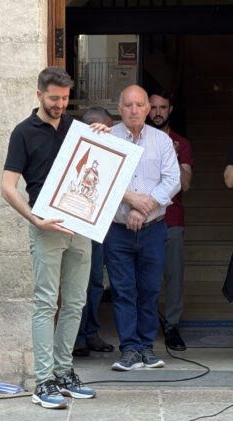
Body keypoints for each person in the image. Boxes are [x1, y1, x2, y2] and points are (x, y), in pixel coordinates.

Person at [1, 66, 96, 409]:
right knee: (45, 303)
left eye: (65, 98)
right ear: (39, 94)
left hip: (81, 226)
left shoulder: (76, 128)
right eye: (54, 98)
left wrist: (102, 137)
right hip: (46, 226)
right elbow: (7, 187)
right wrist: (35, 219)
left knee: (75, 302)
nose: (60, 104)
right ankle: (43, 381)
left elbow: (99, 168)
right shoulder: (23, 132)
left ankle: (64, 373)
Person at [94, 85, 180, 371]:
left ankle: (146, 348)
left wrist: (144, 208)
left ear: (147, 109)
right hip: (117, 230)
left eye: (139, 105)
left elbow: (172, 181)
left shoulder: (161, 141)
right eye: (128, 105)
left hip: (154, 228)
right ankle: (129, 349)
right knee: (122, 291)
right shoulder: (107, 138)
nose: (134, 110)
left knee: (150, 289)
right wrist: (133, 201)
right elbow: (99, 179)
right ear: (119, 109)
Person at [148, 90, 193, 351]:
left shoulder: (181, 143)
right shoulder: (140, 139)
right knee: (144, 276)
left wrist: (174, 156)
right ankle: (145, 325)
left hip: (171, 219)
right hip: (143, 217)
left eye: (162, 107)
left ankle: (172, 325)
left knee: (174, 276)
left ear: (170, 110)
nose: (157, 113)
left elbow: (185, 184)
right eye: (153, 107)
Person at [73, 107, 114, 357]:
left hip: (99, 225)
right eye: (106, 126)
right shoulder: (74, 147)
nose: (110, 131)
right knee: (78, 284)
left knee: (96, 283)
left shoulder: (110, 152)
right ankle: (77, 337)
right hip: (76, 225)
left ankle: (91, 333)